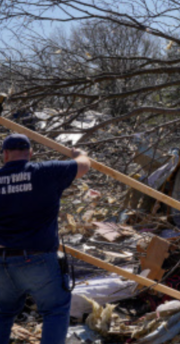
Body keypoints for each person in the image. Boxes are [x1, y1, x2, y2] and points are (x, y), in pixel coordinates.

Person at [0, 133, 90, 344]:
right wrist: (79, 153)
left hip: (2, 261)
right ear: (30, 153)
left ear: (5, 155)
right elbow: (84, 165)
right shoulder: (46, 172)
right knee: (55, 311)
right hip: (39, 258)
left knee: (2, 313)